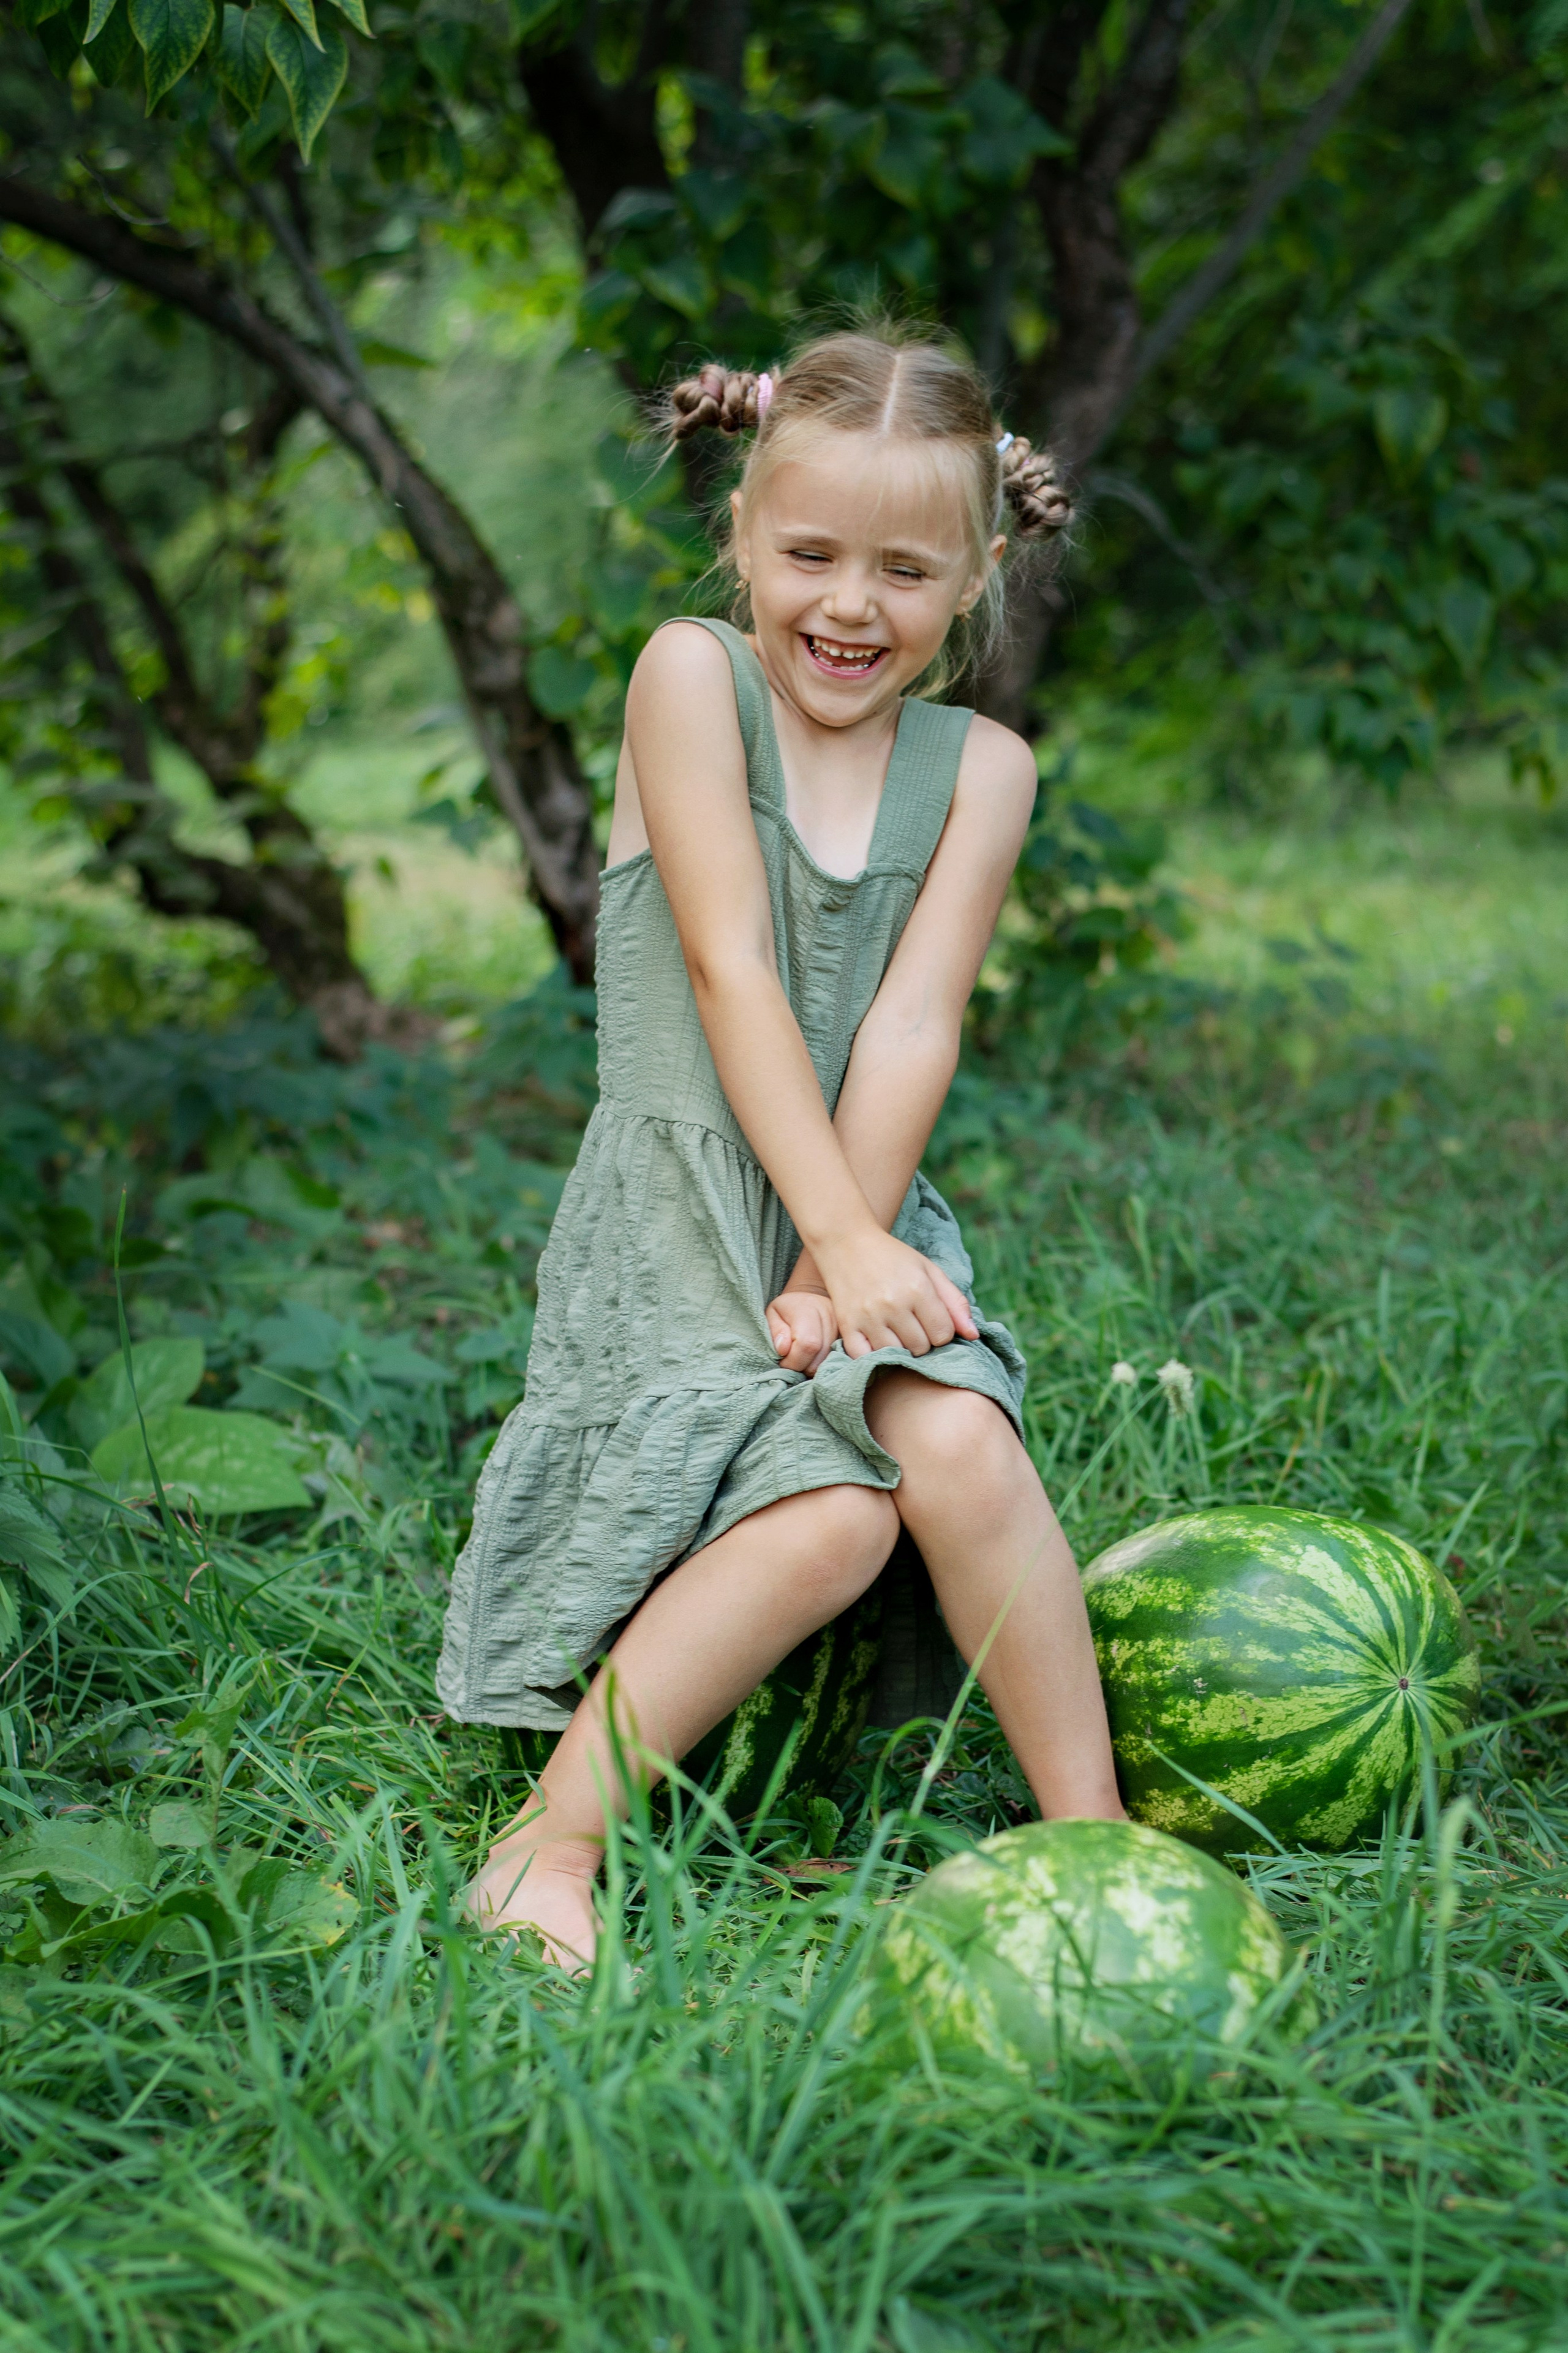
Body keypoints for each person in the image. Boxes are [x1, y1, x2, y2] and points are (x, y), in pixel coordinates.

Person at [439, 328, 1125, 1967]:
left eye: (903, 569)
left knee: (957, 1447)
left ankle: (1098, 1849)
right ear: (740, 529)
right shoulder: (694, 679)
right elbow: (731, 967)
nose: (848, 605)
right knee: (833, 1515)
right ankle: (550, 1839)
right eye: (809, 552)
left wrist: (851, 1248)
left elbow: (911, 1026)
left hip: (863, 1205)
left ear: (971, 582)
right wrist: (819, 1237)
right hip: (684, 1220)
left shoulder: (985, 774)